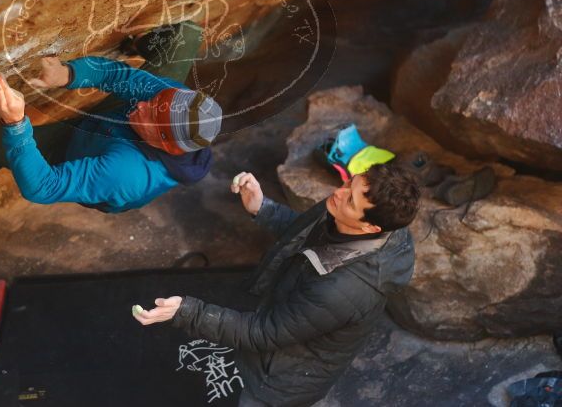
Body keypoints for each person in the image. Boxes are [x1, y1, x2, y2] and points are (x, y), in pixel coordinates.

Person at [133, 162, 421, 406]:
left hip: (282, 378)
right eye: (350, 183)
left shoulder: (342, 290)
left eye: (350, 200)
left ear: (370, 228)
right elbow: (306, 234)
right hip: (286, 323)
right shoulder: (353, 216)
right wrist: (263, 208)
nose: (338, 192)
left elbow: (264, 333)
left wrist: (187, 311)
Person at [0, 21, 222, 213]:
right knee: (185, 36)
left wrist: (16, 125)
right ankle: (138, 43)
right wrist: (68, 75)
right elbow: (122, 80)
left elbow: (43, 188)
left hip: (79, 151)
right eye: (156, 99)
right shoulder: (169, 104)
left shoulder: (124, 172)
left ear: (165, 143)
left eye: (151, 113)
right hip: (114, 128)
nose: (143, 104)